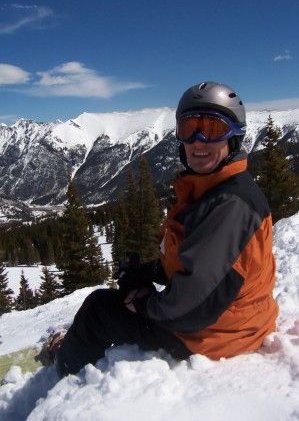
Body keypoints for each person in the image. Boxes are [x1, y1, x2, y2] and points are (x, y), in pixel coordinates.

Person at [51, 82, 278, 376]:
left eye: (211, 130)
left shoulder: (228, 206)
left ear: (234, 136)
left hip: (217, 334)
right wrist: (148, 273)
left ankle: (62, 368)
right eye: (188, 130)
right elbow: (205, 263)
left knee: (99, 308)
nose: (198, 141)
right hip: (237, 320)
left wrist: (145, 305)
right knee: (123, 294)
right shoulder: (217, 190)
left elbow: (192, 309)